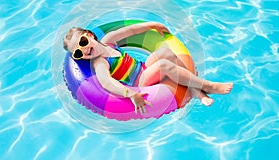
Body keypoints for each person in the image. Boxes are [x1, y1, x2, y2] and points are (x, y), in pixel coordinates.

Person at [63, 22, 233, 114]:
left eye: (83, 42)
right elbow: (107, 83)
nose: (84, 50)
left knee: (166, 51)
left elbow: (130, 30)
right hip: (140, 81)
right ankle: (207, 86)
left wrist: (152, 25)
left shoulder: (109, 40)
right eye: (78, 53)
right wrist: (131, 93)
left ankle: (195, 91)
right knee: (165, 66)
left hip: (143, 67)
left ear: (90, 35)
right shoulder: (99, 63)